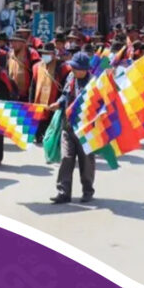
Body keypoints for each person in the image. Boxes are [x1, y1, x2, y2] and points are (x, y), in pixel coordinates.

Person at [48, 52, 95, 204]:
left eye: (76, 68)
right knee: (66, 158)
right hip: (67, 126)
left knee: (86, 161)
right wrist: (58, 103)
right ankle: (63, 192)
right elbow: (65, 95)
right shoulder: (70, 77)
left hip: (85, 128)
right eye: (72, 67)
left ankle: (87, 190)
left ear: (85, 69)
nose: (73, 70)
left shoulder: (94, 84)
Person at [31, 44, 68, 143]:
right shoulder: (37, 67)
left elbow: (64, 87)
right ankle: (39, 136)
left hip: (55, 100)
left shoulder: (62, 67)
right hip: (39, 101)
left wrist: (60, 103)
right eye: (43, 53)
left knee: (52, 125)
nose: (45, 55)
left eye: (48, 53)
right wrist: (31, 102)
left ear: (54, 54)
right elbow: (33, 86)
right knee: (40, 120)